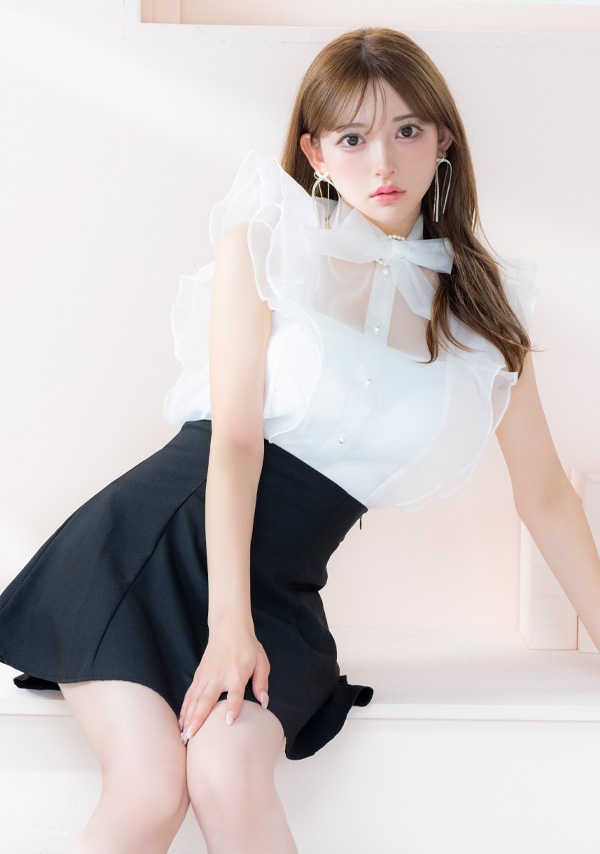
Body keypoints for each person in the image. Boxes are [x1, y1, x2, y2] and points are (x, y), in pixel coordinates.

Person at [0, 24, 588, 854]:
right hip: (148, 553)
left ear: (444, 140)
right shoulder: (268, 245)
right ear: (314, 151)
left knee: (226, 773)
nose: (382, 163)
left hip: (277, 587)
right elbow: (236, 443)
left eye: (406, 131)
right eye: (352, 138)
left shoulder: (484, 312)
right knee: (150, 786)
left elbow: (547, 495)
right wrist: (227, 628)